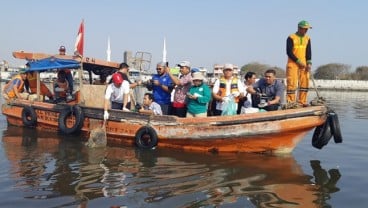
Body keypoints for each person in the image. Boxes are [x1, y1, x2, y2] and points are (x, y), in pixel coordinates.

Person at [286, 20, 312, 107]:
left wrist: (309, 63)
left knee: (305, 82)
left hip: (304, 65)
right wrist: (298, 61)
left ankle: (302, 101)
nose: (306, 31)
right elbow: (289, 52)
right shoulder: (291, 37)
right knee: (292, 83)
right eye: (304, 29)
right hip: (293, 64)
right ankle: (291, 102)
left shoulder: (307, 38)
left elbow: (308, 52)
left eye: (307, 29)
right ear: (299, 28)